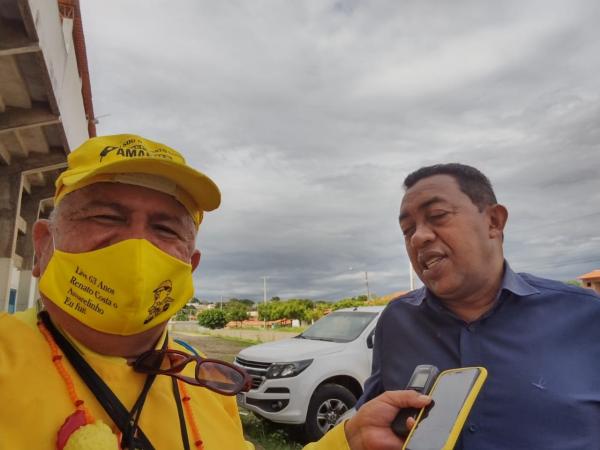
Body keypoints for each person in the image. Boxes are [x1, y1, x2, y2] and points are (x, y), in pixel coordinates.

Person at [0, 134, 430, 450]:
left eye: (165, 228)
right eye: (104, 217)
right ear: (43, 246)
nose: (136, 244)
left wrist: (347, 441)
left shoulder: (204, 383)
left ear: (192, 264)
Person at [357, 163, 600, 449]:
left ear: (494, 222)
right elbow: (370, 422)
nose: (418, 237)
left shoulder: (587, 316)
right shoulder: (396, 321)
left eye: (437, 216)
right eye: (407, 230)